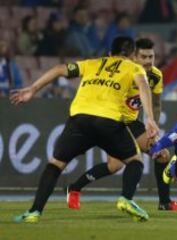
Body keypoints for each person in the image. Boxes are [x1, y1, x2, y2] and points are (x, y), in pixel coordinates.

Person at [10, 36, 159, 223]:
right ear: (131, 55)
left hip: (79, 119)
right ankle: (126, 199)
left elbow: (59, 69)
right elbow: (144, 86)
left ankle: (34, 212)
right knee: (134, 161)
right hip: (109, 121)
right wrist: (150, 118)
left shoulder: (92, 63)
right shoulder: (134, 67)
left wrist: (33, 88)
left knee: (55, 164)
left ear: (110, 53)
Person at [66, 38, 177, 212]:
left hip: (132, 122)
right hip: (113, 121)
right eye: (143, 57)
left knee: (162, 154)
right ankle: (75, 187)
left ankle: (164, 202)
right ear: (133, 57)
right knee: (114, 166)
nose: (148, 61)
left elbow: (155, 103)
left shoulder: (155, 75)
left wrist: (153, 125)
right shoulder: (123, 72)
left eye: (151, 56)